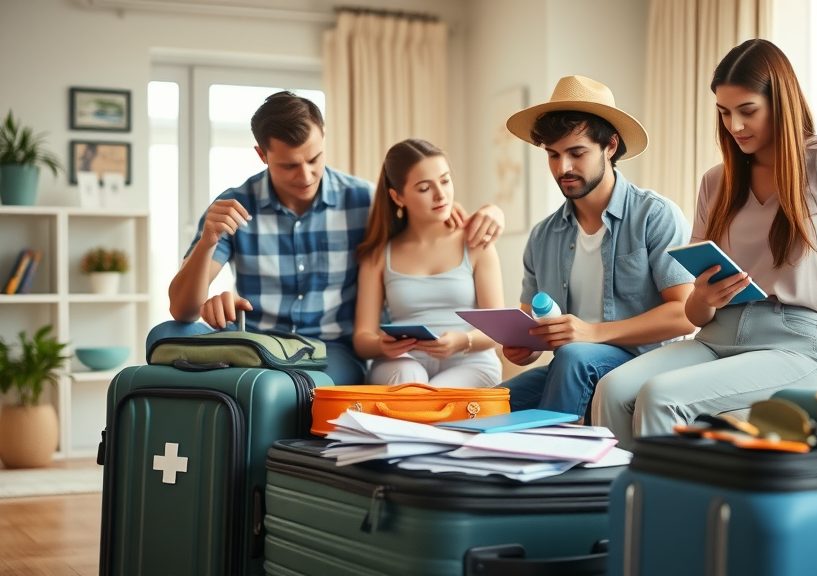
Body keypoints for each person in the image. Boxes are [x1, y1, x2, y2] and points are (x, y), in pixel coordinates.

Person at [592, 39, 817, 449]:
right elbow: (695, 313)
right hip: (715, 337)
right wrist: (706, 297)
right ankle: (619, 507)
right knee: (612, 388)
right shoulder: (716, 182)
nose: (735, 126)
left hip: (797, 345)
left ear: (780, 102)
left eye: (747, 111)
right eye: (724, 113)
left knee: (662, 396)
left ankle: (665, 510)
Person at [150, 91, 504, 385]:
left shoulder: (363, 202)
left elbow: (424, 216)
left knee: (303, 387)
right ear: (262, 155)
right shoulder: (235, 206)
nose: (305, 175)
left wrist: (489, 210)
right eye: (289, 165)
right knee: (164, 335)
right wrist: (207, 241)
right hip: (256, 344)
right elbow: (182, 309)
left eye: (315, 158)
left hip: (328, 351)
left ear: (323, 137)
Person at [500, 75, 697, 418]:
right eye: (553, 155)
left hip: (644, 363)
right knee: (492, 401)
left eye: (577, 153)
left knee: (575, 355)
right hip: (570, 365)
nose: (563, 168)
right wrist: (525, 349)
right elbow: (531, 325)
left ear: (610, 146)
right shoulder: (543, 237)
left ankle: (555, 467)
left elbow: (684, 314)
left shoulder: (655, 215)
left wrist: (592, 333)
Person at [352, 138, 504, 387]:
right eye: (424, 188)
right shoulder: (379, 255)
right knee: (408, 380)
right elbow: (362, 338)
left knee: (432, 396)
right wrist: (381, 344)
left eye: (445, 180)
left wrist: (461, 341)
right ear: (397, 196)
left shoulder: (476, 243)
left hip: (470, 360)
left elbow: (498, 330)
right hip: (403, 361)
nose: (441, 195)